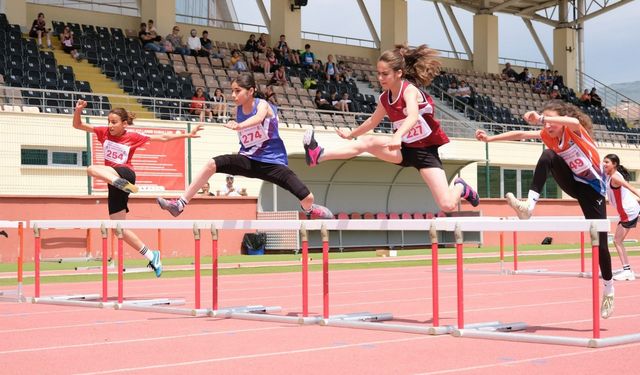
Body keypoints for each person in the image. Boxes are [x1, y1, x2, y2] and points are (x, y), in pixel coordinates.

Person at [474, 99, 615, 318]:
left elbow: (572, 120)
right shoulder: (548, 136)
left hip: (593, 191)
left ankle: (609, 289)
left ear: (559, 120)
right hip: (572, 182)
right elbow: (519, 135)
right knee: (548, 155)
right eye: (545, 123)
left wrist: (542, 118)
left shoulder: (575, 130)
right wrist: (490, 139)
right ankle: (529, 207)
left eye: (551, 122)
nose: (548, 127)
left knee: (601, 242)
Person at [303, 44, 480, 214]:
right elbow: (372, 121)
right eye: (378, 74)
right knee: (367, 141)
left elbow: (412, 116)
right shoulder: (384, 98)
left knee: (447, 205)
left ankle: (461, 187)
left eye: (385, 74)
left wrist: (398, 136)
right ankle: (317, 155)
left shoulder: (409, 91)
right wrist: (351, 134)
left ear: (398, 73)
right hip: (402, 149)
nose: (380, 78)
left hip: (425, 152)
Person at [157, 73, 333, 220]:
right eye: (232, 91)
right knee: (212, 163)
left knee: (307, 197)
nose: (233, 96)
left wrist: (240, 126)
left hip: (273, 164)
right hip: (248, 160)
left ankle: (310, 210)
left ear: (251, 91)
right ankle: (180, 204)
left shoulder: (262, 105)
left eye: (237, 91)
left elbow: (257, 119)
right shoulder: (238, 110)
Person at [73, 99, 203, 277]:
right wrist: (78, 110)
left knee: (90, 169)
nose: (110, 125)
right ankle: (152, 255)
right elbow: (78, 125)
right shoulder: (103, 132)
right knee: (118, 228)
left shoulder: (132, 137)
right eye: (108, 121)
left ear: (124, 123)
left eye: (114, 122)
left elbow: (163, 138)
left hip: (125, 174)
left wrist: (188, 135)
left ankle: (119, 183)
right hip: (114, 183)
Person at [603, 154, 639, 281]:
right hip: (627, 210)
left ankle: (627, 270)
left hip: (628, 211)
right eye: (603, 161)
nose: (604, 164)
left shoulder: (615, 177)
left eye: (607, 162)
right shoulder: (609, 175)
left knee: (617, 241)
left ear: (614, 164)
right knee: (617, 241)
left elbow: (631, 188)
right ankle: (626, 269)